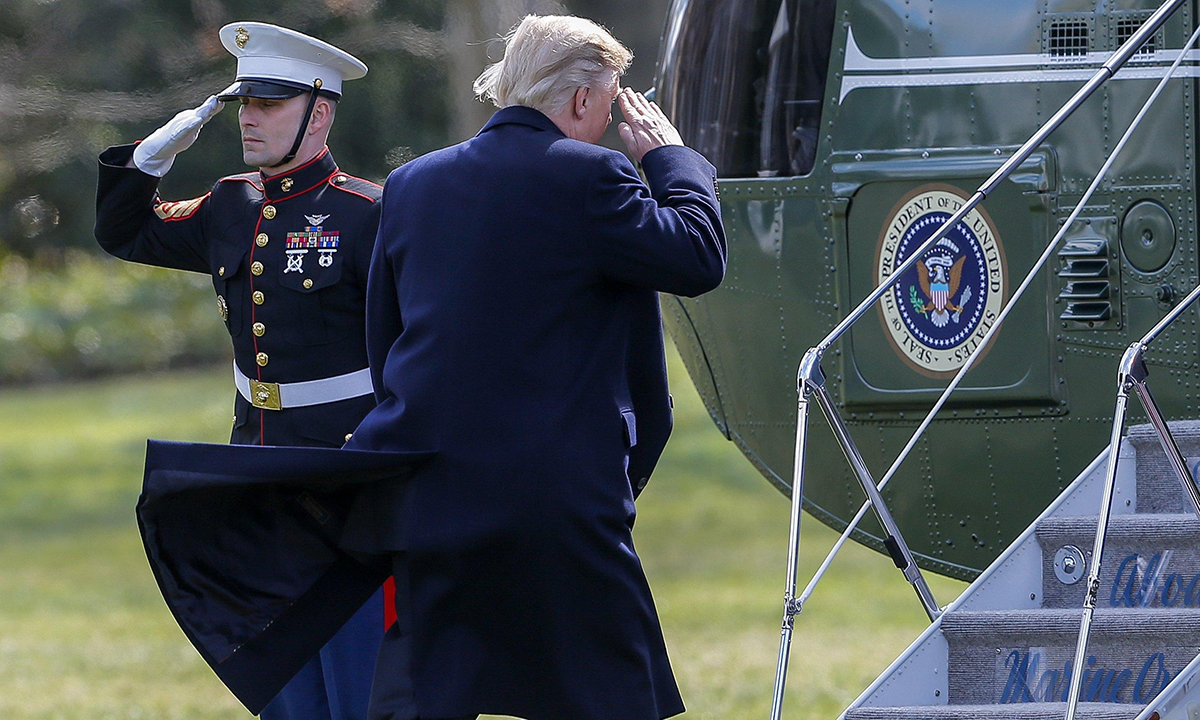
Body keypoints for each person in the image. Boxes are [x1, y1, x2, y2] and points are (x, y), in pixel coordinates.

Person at [344, 14, 727, 720]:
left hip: (434, 496)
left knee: (430, 699)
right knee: (604, 699)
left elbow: (385, 347)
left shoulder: (410, 185)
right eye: (614, 102)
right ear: (581, 100)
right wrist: (670, 160)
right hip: (559, 503)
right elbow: (697, 257)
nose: (615, 122)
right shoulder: (593, 175)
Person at [93, 22, 388, 720]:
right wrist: (148, 161)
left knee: (357, 677)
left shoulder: (368, 213)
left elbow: (415, 346)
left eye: (269, 104)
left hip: (346, 468)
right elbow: (126, 232)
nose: (248, 119)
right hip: (255, 466)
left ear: (319, 112)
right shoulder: (233, 203)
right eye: (243, 104)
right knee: (280, 675)